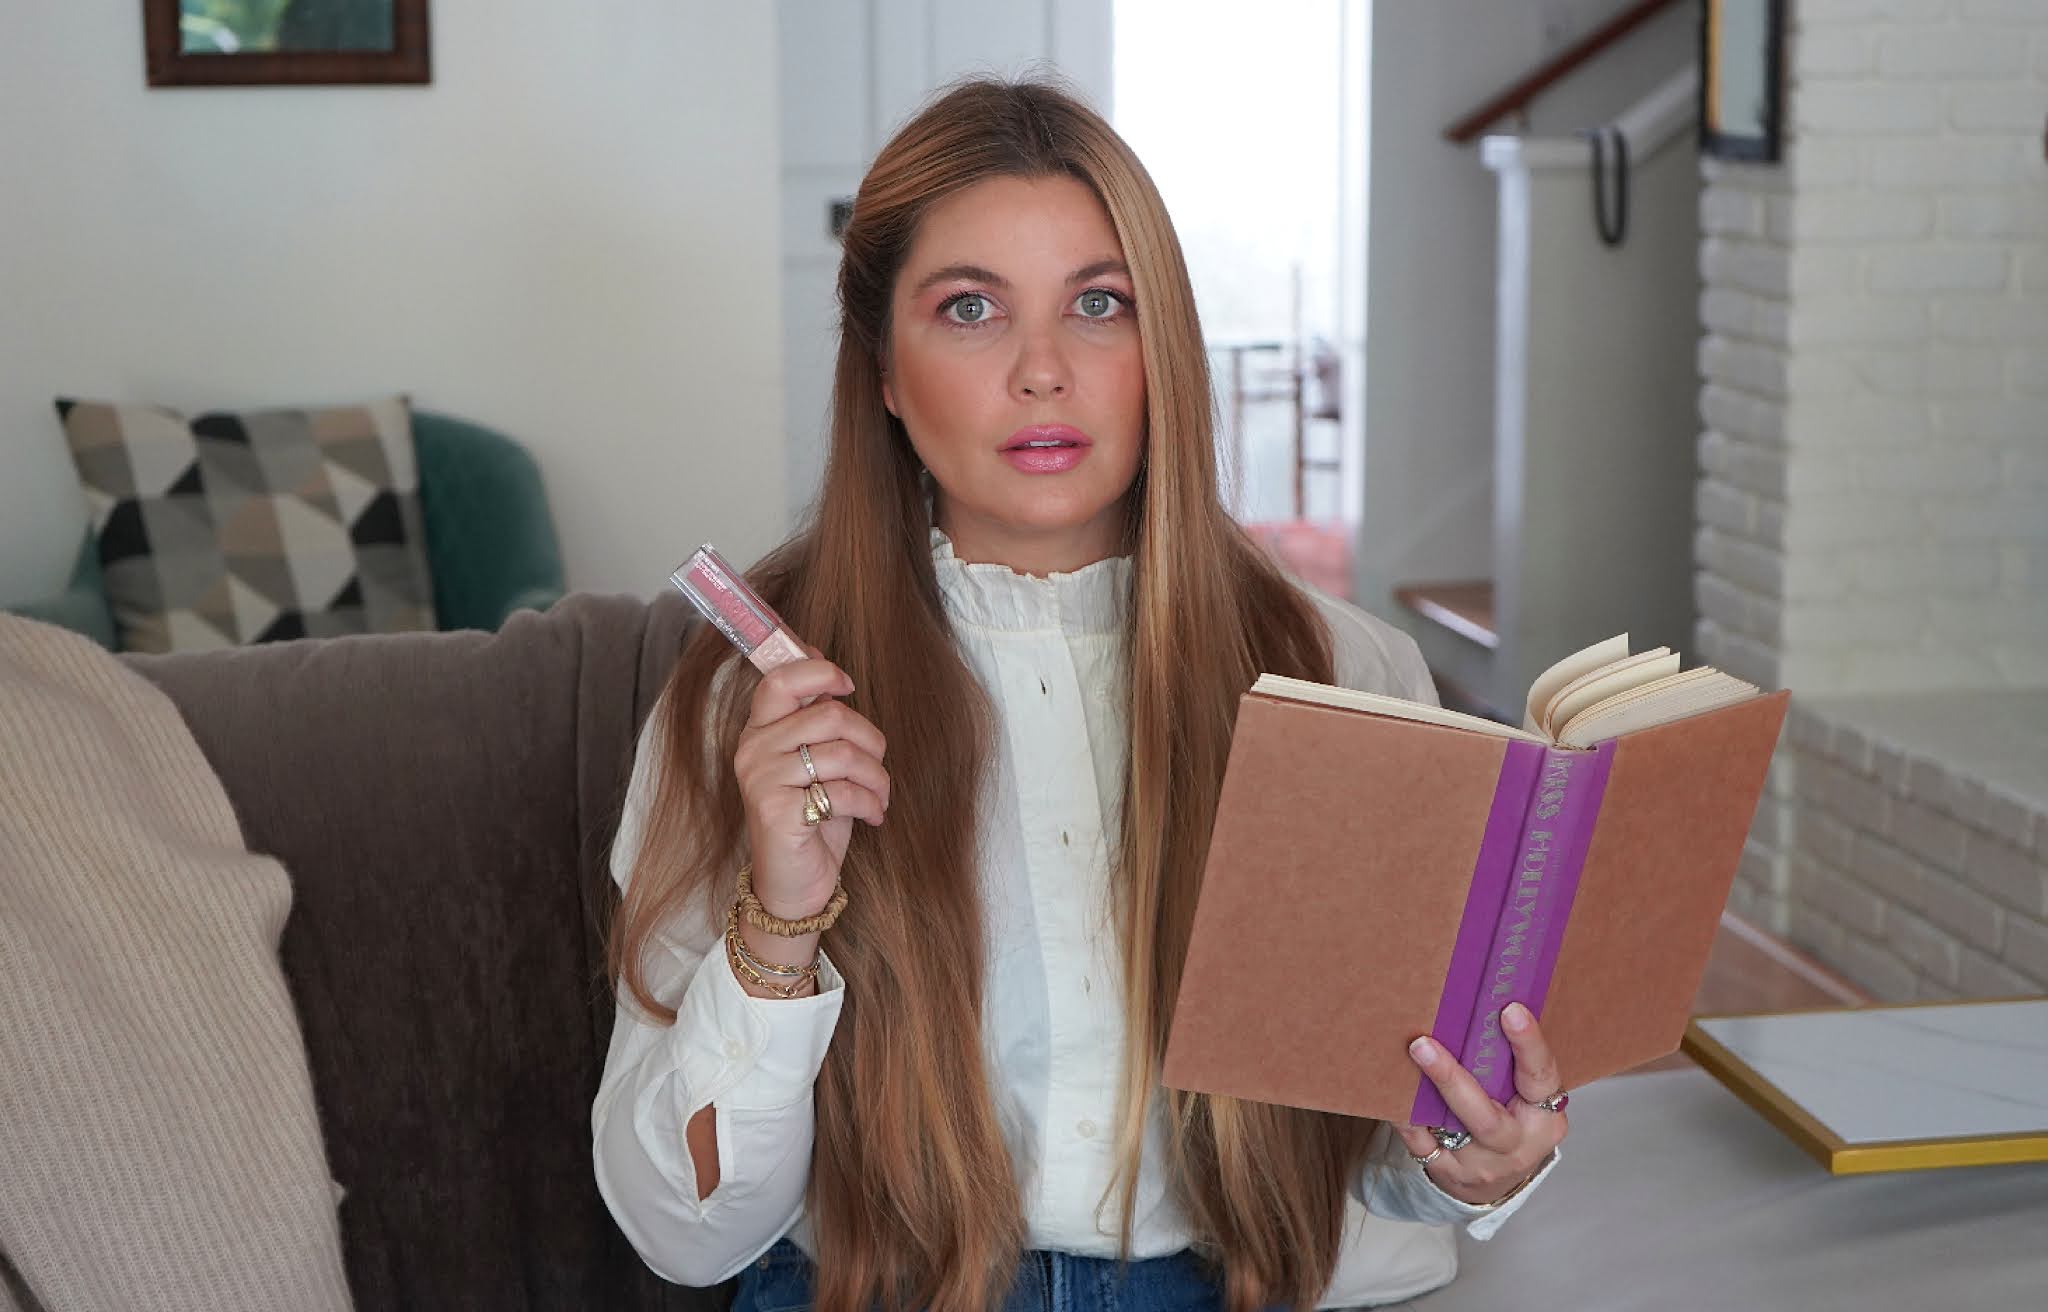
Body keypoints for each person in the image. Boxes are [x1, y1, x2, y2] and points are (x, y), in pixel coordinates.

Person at [594, 78, 1567, 1312]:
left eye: (1097, 305)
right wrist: (781, 918)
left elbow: (1382, 1169)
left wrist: (1476, 1158)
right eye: (968, 309)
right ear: (883, 371)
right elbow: (681, 1237)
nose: (1042, 371)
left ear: (1158, 348)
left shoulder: (1346, 675)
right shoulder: (748, 703)